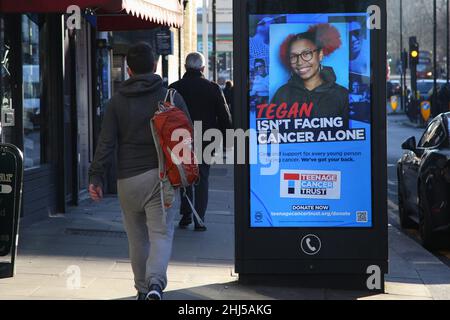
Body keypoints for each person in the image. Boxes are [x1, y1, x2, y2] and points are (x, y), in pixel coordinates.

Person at [88, 42, 190, 300]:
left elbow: (106, 142)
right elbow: (188, 137)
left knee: (137, 240)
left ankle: (141, 289)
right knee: (160, 234)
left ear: (129, 70)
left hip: (127, 180)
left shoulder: (116, 102)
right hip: (161, 178)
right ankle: (155, 284)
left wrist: (96, 176)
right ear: (155, 65)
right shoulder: (170, 97)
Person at [169, 52, 232, 231]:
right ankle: (199, 217)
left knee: (184, 175)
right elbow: (224, 115)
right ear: (203, 69)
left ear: (185, 68)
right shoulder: (213, 88)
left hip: (181, 138)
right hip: (207, 138)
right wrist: (228, 139)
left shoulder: (174, 88)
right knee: (202, 176)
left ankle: (187, 214)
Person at [271, 23, 349, 128]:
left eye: (306, 54)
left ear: (320, 55)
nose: (299, 62)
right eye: (293, 56)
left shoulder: (342, 95)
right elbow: (273, 134)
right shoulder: (282, 94)